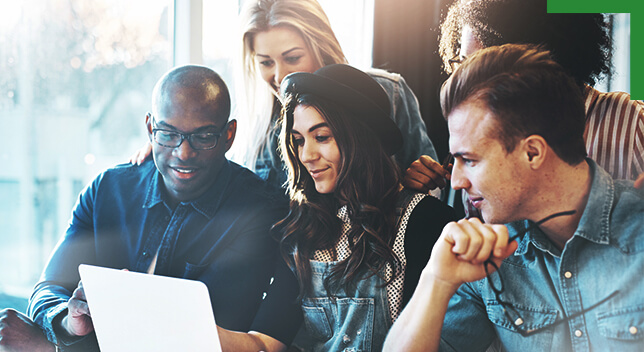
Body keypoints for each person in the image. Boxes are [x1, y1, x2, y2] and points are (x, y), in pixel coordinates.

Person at [0, 65, 287, 352]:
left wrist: (50, 347)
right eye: (168, 133)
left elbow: (197, 338)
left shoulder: (258, 211)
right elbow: (48, 288)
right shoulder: (108, 189)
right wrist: (68, 322)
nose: (183, 152)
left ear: (228, 135)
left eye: (203, 137)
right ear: (150, 128)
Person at [384, 44, 644, 351]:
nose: (455, 181)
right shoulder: (490, 253)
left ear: (532, 152)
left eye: (470, 160)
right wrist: (436, 280)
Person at [216, 64, 456, 352]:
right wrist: (197, 328)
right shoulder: (303, 230)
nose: (306, 155)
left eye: (322, 137)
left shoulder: (427, 222)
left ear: (360, 138)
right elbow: (264, 343)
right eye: (298, 140)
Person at [131, 0, 439, 195]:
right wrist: (172, 140)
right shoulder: (256, 125)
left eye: (292, 58)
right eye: (265, 62)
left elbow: (432, 184)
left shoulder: (387, 93)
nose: (279, 76)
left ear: (321, 45)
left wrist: (420, 180)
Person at [404, 0, 644, 203]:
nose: (468, 85)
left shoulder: (633, 126)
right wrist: (425, 196)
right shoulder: (480, 142)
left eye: (486, 72)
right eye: (463, 64)